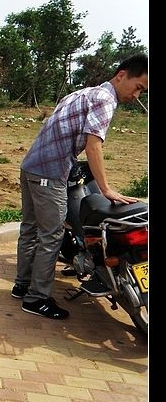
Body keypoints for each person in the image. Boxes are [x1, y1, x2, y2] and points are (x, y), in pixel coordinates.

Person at [12, 54, 148, 319]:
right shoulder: (105, 100)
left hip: (31, 165)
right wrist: (107, 190)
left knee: (30, 229)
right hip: (49, 173)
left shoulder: (84, 93)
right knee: (51, 235)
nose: (137, 95)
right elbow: (93, 144)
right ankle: (36, 298)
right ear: (122, 76)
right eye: (139, 87)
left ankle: (22, 284)